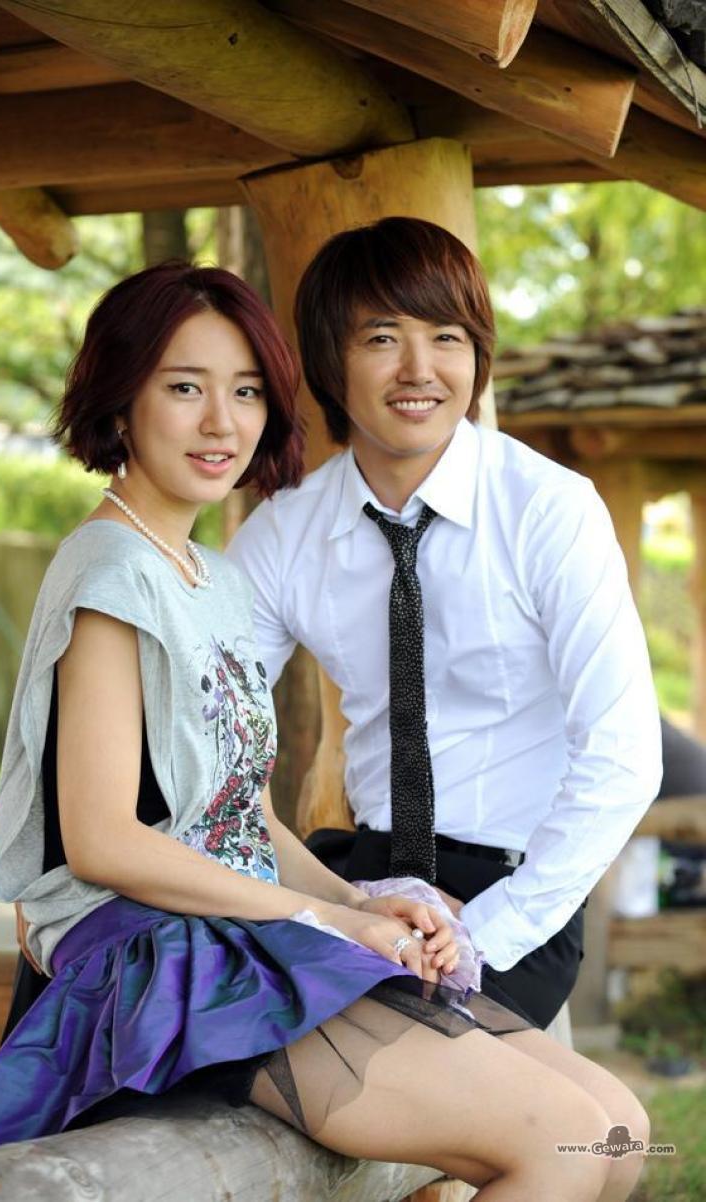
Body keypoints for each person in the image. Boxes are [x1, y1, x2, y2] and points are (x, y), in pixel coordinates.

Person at [0, 261, 647, 1201]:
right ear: (121, 400)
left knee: (619, 1129)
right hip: (159, 956)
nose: (221, 422)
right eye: (185, 388)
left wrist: (362, 909)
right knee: (567, 1139)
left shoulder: (206, 575)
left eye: (244, 392)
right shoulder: (110, 573)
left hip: (239, 928)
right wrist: (327, 918)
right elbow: (104, 841)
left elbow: (239, 815)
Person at [227, 217, 663, 1032]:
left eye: (447, 337)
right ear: (330, 361)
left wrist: (484, 931)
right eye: (382, 338)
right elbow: (203, 735)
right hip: (363, 881)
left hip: (514, 892)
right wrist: (341, 902)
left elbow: (624, 754)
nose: (419, 370)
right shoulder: (286, 533)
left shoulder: (548, 509)